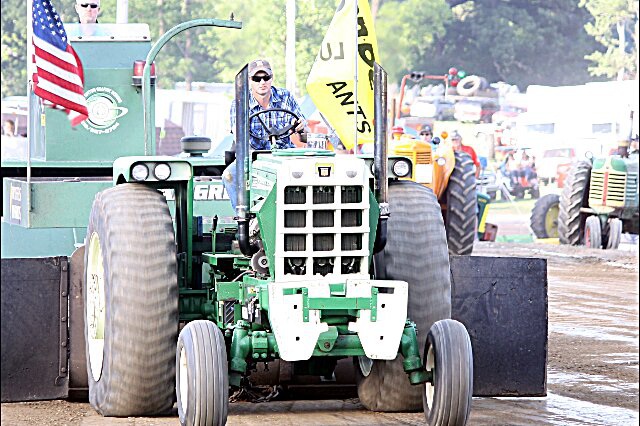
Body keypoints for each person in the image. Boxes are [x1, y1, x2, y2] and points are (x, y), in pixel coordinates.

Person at [224, 59, 306, 209]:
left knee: (310, 171)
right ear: (250, 80)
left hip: (284, 155)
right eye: (257, 78)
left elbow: (303, 136)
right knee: (230, 175)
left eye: (266, 78)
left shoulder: (285, 97)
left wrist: (301, 128)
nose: (262, 82)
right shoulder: (240, 103)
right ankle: (244, 216)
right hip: (253, 157)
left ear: (271, 78)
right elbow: (239, 138)